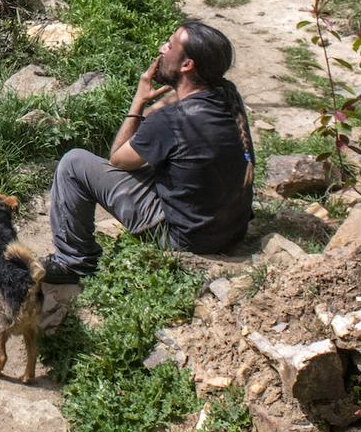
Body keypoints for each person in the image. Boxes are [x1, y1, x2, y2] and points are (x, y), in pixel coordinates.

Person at [44, 19, 255, 282]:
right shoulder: (227, 96)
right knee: (155, 159)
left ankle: (74, 263)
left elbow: (118, 159)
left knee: (73, 163)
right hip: (229, 231)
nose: (161, 48)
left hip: (184, 239)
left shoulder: (173, 120)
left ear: (187, 65)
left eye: (169, 45)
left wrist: (139, 101)